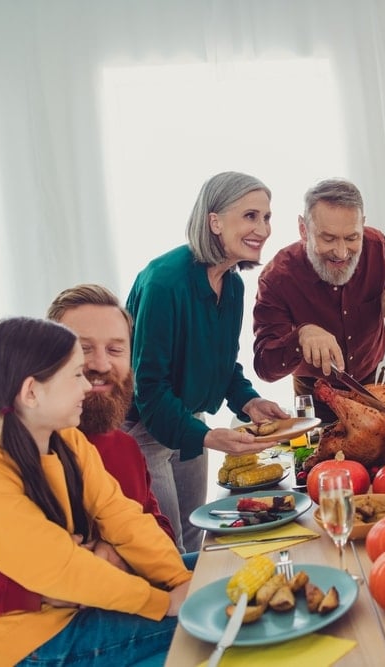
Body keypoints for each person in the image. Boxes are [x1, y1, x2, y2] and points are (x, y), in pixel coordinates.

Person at [0, 284, 179, 667]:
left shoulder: (109, 446)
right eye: (80, 354)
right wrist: (33, 589)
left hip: (102, 602)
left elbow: (141, 524)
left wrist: (143, 568)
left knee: (219, 573)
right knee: (209, 620)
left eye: (115, 350)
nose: (97, 367)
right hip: (21, 641)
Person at [124, 171, 287, 553]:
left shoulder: (232, 284)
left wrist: (248, 400)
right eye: (250, 216)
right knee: (170, 548)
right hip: (145, 430)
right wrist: (208, 437)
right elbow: (148, 389)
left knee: (198, 538)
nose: (262, 229)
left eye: (266, 217)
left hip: (188, 419)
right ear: (214, 221)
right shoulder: (165, 283)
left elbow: (221, 363)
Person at [253, 178, 385, 421]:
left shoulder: (378, 248)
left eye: (352, 238)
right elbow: (265, 366)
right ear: (303, 229)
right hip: (316, 398)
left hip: (378, 386)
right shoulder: (277, 277)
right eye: (328, 239)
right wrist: (300, 337)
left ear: (362, 225)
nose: (342, 252)